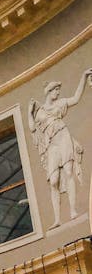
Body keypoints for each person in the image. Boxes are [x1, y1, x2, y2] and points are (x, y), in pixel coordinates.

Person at [28, 71, 92, 226]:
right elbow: (31, 128)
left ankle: (72, 210)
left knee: (69, 172)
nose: (58, 92)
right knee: (53, 181)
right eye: (56, 89)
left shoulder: (61, 103)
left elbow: (76, 98)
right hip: (51, 145)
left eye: (58, 90)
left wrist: (83, 76)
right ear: (49, 92)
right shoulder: (40, 110)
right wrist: (29, 112)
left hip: (63, 137)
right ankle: (57, 219)